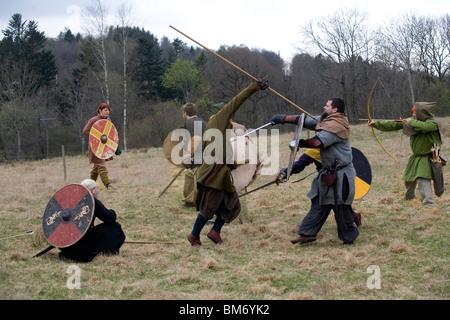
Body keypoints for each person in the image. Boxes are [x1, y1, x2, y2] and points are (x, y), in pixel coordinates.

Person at [188, 78, 269, 246]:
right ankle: (194, 235)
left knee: (232, 205)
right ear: (225, 114)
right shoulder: (219, 119)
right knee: (209, 207)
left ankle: (214, 231)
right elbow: (236, 101)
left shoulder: (219, 127)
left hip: (223, 173)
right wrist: (254, 87)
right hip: (215, 173)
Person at [271, 98, 359, 245]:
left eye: (327, 105)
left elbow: (318, 142)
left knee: (341, 207)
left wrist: (300, 143)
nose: (324, 106)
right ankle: (307, 233)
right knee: (319, 202)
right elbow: (306, 120)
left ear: (335, 109)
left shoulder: (337, 125)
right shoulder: (327, 120)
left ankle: (349, 235)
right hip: (328, 173)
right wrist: (283, 118)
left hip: (341, 174)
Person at [368, 102, 443, 208]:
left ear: (422, 113)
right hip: (416, 157)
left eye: (415, 113)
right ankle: (409, 197)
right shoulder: (413, 122)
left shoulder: (433, 123)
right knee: (409, 178)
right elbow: (394, 124)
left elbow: (424, 127)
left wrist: (410, 122)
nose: (413, 115)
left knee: (423, 179)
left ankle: (429, 204)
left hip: (427, 157)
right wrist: (375, 124)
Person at [277, 148, 361, 227]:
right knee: (335, 204)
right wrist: (285, 173)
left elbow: (299, 165)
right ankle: (354, 216)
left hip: (335, 181)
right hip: (331, 180)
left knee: (330, 203)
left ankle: (309, 230)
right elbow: (299, 165)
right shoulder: (322, 147)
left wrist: (284, 172)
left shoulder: (318, 149)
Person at [59, 179, 126, 262]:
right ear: (93, 190)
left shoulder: (72, 201)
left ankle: (70, 253)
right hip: (79, 243)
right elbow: (110, 218)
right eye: (97, 189)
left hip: (67, 245)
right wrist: (112, 212)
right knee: (115, 227)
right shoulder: (92, 201)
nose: (98, 191)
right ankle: (109, 251)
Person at [83, 103, 121, 189]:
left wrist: (115, 147)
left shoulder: (108, 121)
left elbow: (110, 135)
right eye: (105, 110)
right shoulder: (93, 120)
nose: (107, 112)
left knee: (96, 168)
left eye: (108, 110)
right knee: (101, 165)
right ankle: (108, 185)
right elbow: (85, 131)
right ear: (100, 110)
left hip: (104, 147)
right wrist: (97, 136)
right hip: (96, 147)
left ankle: (88, 187)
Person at [180, 102, 207, 207]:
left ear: (185, 113)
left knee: (198, 180)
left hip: (200, 157)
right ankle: (190, 201)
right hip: (204, 156)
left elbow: (195, 139)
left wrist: (187, 156)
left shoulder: (190, 122)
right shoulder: (204, 122)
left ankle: (197, 202)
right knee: (190, 176)